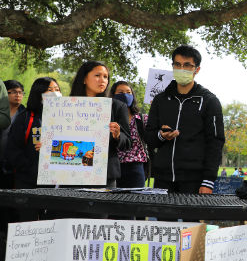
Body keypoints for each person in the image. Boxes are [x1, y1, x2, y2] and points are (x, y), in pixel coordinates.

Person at [145, 45, 225, 194]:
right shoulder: (160, 100)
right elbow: (149, 137)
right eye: (177, 64)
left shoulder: (209, 100)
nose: (181, 68)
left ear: (197, 69)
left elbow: (216, 142)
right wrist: (161, 136)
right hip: (162, 178)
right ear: (172, 66)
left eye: (187, 65)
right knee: (162, 218)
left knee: (191, 218)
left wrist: (208, 181)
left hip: (194, 180)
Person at [70, 61, 131, 187]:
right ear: (84, 79)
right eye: (97, 75)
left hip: (104, 176)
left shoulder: (117, 107)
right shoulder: (67, 106)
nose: (102, 80)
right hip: (71, 171)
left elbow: (128, 142)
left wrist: (118, 135)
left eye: (105, 77)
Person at [5, 78, 61, 189]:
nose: (55, 93)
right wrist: (32, 168)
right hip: (27, 181)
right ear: (38, 93)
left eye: (57, 89)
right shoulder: (25, 118)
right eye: (49, 90)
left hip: (56, 180)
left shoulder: (66, 118)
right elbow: (13, 150)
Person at [109, 81, 149, 188]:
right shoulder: (108, 117)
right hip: (114, 167)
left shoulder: (141, 119)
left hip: (135, 168)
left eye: (128, 92)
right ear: (113, 95)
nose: (125, 95)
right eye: (120, 92)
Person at [0, 80, 25, 187]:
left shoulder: (26, 115)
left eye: (21, 92)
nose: (18, 95)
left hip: (14, 167)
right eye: (14, 92)